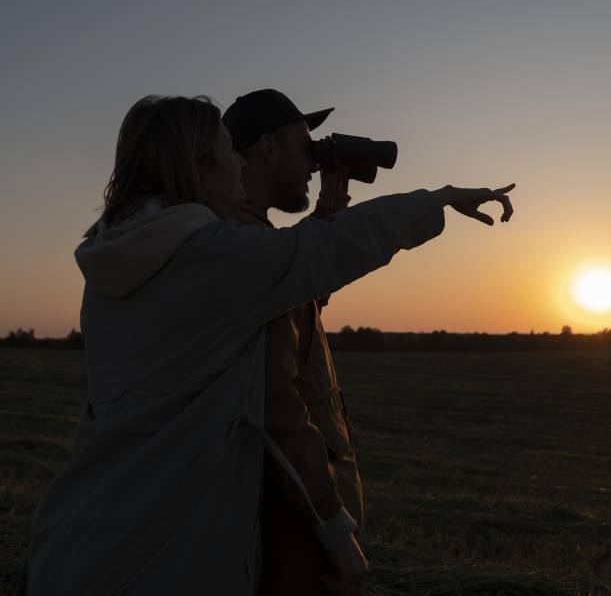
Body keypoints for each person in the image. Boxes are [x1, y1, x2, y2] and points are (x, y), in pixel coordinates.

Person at [18, 94, 515, 596]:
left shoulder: (124, 254)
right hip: (161, 552)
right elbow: (313, 257)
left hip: (82, 532)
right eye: (226, 150)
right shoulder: (211, 257)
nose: (237, 159)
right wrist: (440, 199)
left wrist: (327, 211)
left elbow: (272, 279)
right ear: (198, 166)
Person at [221, 89, 369, 596]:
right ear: (266, 148)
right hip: (286, 510)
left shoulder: (250, 239)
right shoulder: (241, 246)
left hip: (287, 504)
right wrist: (332, 524)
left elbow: (300, 296)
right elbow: (276, 403)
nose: (313, 160)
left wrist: (329, 206)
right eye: (305, 147)